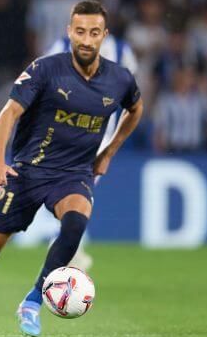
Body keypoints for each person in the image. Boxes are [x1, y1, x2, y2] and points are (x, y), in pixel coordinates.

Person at [0, 0, 143, 337]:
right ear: (69, 31)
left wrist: (109, 151)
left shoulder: (119, 79)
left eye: (94, 33)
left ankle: (33, 300)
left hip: (74, 173)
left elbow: (136, 109)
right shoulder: (45, 69)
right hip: (29, 172)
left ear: (104, 36)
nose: (86, 39)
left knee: (75, 223)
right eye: (80, 31)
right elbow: (8, 113)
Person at [40, 31, 138, 269]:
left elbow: (132, 94)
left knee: (79, 190)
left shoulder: (123, 51)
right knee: (75, 190)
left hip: (100, 136)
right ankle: (69, 247)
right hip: (64, 132)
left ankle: (69, 245)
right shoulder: (62, 44)